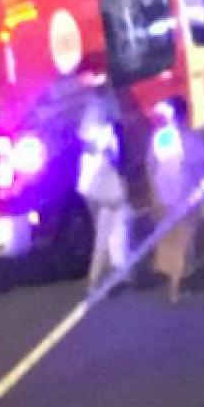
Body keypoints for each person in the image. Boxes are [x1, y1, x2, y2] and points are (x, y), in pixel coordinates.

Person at [149, 97, 204, 303]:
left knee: (171, 237)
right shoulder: (192, 139)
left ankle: (174, 278)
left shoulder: (160, 137)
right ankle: (177, 287)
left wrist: (154, 193)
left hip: (165, 194)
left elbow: (152, 166)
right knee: (185, 238)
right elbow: (203, 166)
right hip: (187, 194)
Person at [76, 104, 131, 292]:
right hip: (108, 192)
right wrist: (121, 176)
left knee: (106, 231)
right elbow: (115, 160)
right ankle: (100, 278)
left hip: (90, 191)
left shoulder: (87, 139)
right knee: (111, 230)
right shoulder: (108, 135)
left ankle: (110, 273)